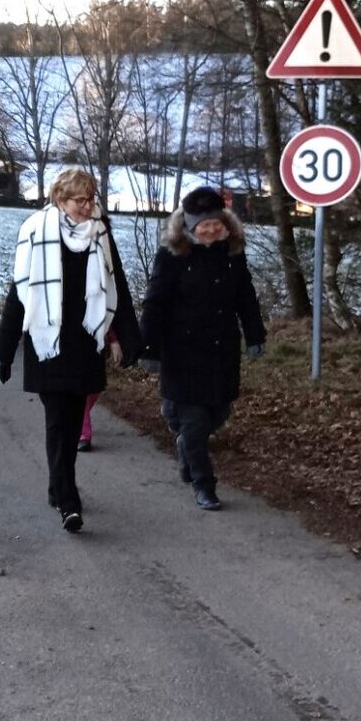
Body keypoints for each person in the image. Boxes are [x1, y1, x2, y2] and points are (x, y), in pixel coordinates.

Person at [0, 168, 141, 534]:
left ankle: (56, 485)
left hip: (85, 342)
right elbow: (19, 291)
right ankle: (68, 501)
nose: (88, 207)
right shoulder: (36, 231)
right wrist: (4, 351)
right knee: (58, 422)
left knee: (72, 425)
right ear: (60, 199)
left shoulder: (100, 234)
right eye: (80, 200)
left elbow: (116, 285)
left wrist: (128, 338)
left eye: (91, 199)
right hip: (48, 343)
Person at [139, 185, 266, 512]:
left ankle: (184, 441)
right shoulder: (172, 255)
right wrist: (148, 347)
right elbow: (155, 302)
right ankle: (204, 484)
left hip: (222, 349)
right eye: (203, 225)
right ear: (190, 226)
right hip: (182, 351)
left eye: (215, 224)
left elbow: (245, 297)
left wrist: (255, 335)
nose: (210, 230)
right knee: (194, 422)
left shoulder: (232, 253)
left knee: (218, 412)